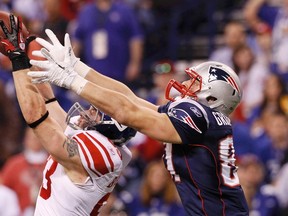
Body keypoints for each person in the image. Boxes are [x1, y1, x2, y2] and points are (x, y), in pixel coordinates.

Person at [28, 28, 249, 215]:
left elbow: (128, 111)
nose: (187, 85)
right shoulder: (205, 118)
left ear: (212, 97)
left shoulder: (199, 115)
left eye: (196, 83)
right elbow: (131, 98)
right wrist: (77, 66)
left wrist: (72, 81)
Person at [0, 14, 136, 215]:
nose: (90, 110)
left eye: (98, 112)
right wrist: (28, 53)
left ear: (113, 124)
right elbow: (48, 102)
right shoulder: (102, 142)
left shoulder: (102, 155)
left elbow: (37, 118)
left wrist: (17, 58)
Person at [1, 127, 48, 215]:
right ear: (25, 139)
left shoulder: (52, 163)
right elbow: (4, 192)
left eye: (37, 138)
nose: (34, 141)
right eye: (31, 137)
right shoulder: (14, 164)